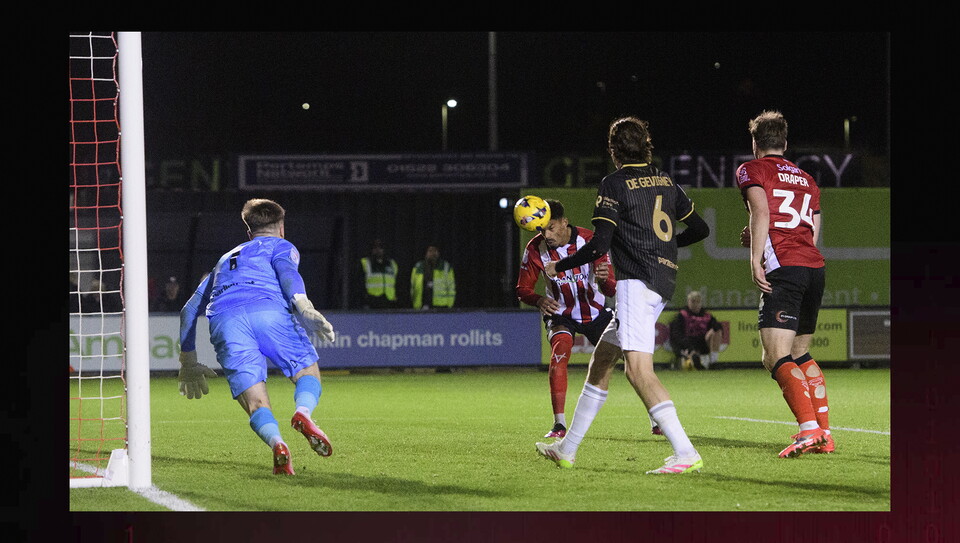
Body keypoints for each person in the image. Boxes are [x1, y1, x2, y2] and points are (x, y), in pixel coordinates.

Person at [535, 116, 710, 474]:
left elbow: (600, 243)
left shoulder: (614, 183)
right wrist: (667, 246)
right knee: (602, 359)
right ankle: (567, 449)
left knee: (637, 371)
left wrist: (560, 265)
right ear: (647, 146)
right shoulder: (665, 180)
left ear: (613, 151)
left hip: (636, 283)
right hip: (662, 279)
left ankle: (685, 451)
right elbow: (701, 228)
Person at [177, 198, 337, 475]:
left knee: (255, 402)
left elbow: (189, 310)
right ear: (281, 227)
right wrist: (304, 306)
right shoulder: (281, 245)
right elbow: (287, 272)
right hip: (268, 311)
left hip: (226, 322)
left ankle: (278, 445)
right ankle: (303, 413)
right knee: (306, 371)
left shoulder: (224, 260)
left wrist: (188, 360)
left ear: (248, 232)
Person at [736, 110, 833, 458]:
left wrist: (755, 259)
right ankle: (824, 432)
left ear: (755, 143)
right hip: (813, 267)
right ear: (785, 143)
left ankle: (808, 430)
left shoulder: (752, 170)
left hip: (786, 269)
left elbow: (761, 213)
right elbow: (811, 232)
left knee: (774, 355)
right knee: (800, 352)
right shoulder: (807, 179)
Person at [516, 199, 617, 439]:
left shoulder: (591, 241)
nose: (546, 234)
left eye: (551, 228)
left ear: (564, 222)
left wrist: (604, 280)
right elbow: (522, 289)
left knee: (633, 359)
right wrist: (539, 300)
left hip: (596, 313)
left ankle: (655, 420)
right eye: (541, 229)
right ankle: (559, 425)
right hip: (561, 314)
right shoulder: (534, 249)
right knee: (559, 355)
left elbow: (611, 289)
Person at [669, 290, 724, 371]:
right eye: (693, 301)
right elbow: (677, 334)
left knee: (716, 331)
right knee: (691, 363)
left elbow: (718, 326)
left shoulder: (707, 316)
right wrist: (690, 348)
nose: (695, 304)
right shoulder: (682, 315)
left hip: (703, 343)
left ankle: (713, 362)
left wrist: (714, 328)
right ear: (688, 302)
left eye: (698, 302)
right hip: (687, 345)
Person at [410, 244, 455, 310]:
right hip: (421, 306)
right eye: (430, 251)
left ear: (438, 253)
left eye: (435, 251)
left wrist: (450, 305)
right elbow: (412, 286)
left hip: (441, 306)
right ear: (426, 253)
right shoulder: (418, 267)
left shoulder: (445, 266)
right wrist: (415, 304)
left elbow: (451, 287)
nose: (433, 253)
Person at [357, 239, 399, 309]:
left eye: (380, 247)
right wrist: (365, 299)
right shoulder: (365, 263)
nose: (378, 250)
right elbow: (359, 284)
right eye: (375, 247)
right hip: (372, 302)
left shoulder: (392, 264)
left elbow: (397, 283)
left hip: (390, 302)